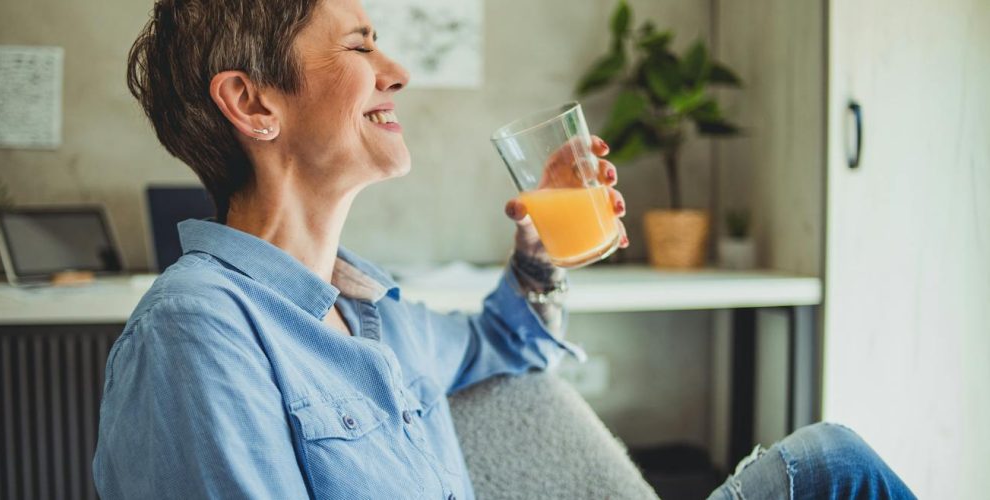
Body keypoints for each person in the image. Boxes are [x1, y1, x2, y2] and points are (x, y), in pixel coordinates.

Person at [92, 0, 915, 498]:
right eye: (358, 44)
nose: (397, 70)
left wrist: (539, 248)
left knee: (829, 462)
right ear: (250, 100)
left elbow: (505, 342)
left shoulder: (373, 311)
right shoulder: (196, 333)